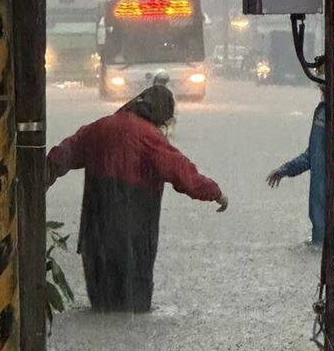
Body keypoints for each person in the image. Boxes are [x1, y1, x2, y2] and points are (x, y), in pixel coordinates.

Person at [46, 85, 228, 313]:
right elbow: (183, 174)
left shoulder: (99, 128)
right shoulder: (149, 137)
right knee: (134, 306)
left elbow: (66, 152)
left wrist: (43, 175)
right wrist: (215, 192)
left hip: (95, 230)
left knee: (101, 306)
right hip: (134, 233)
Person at [266, 85, 327, 246]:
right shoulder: (322, 111)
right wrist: (285, 169)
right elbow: (313, 155)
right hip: (320, 215)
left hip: (332, 207)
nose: (321, 93)